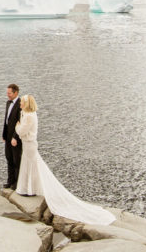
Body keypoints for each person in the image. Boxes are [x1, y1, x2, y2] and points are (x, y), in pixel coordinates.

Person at [13, 94, 115, 225]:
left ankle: (29, 189)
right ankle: (29, 188)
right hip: (28, 145)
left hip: (29, 145)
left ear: (26, 103)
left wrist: (17, 126)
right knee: (29, 166)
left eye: (22, 102)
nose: (20, 104)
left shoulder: (29, 116)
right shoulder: (28, 114)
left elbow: (21, 131)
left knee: (30, 166)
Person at [2, 84, 22, 189]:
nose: (7, 95)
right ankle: (9, 181)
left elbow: (20, 122)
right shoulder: (8, 103)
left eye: (9, 93)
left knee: (16, 160)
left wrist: (15, 137)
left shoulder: (20, 104)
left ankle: (17, 182)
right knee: (8, 158)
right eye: (7, 93)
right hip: (8, 137)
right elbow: (6, 121)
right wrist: (4, 135)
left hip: (15, 138)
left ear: (16, 93)